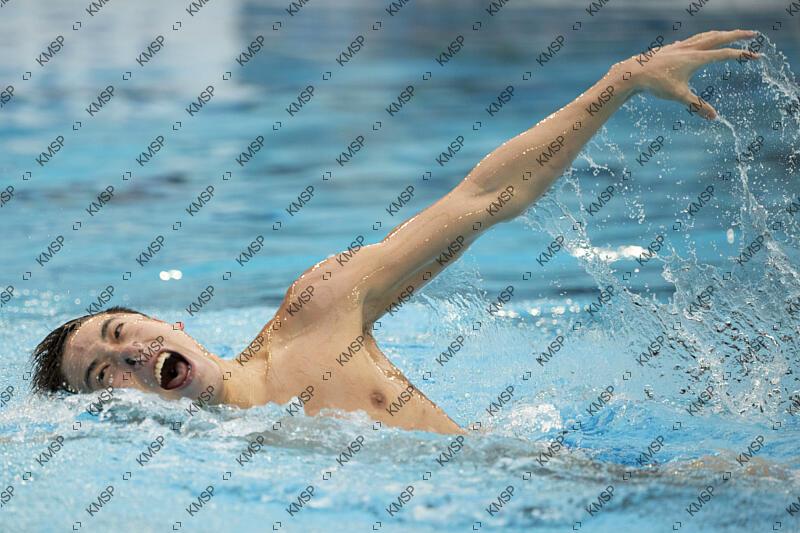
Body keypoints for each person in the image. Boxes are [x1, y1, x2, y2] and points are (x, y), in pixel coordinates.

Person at [29, 30, 761, 435]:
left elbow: (485, 197)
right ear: (110, 413)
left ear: (172, 323)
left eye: (121, 332)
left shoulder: (316, 313)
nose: (130, 355)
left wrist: (620, 81)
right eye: (104, 374)